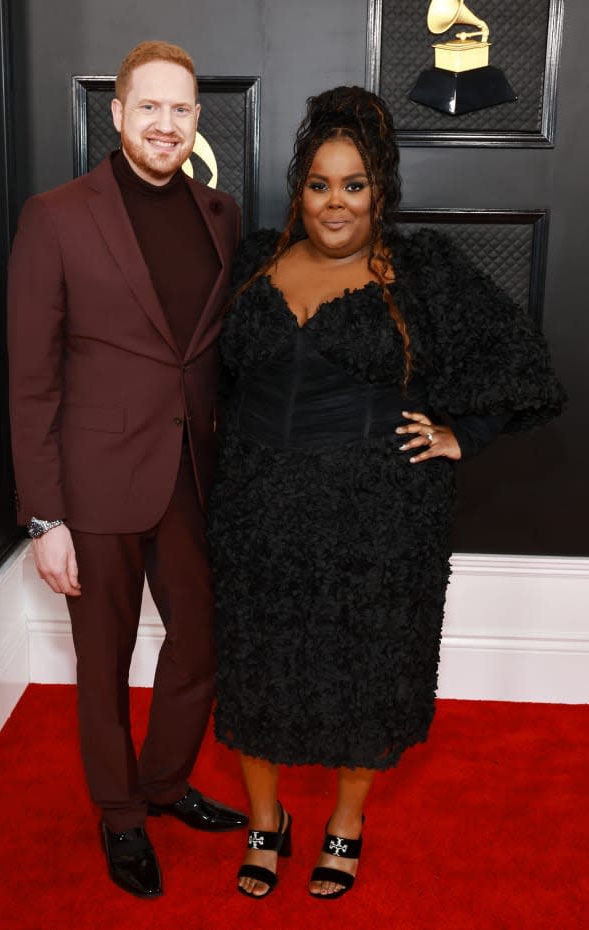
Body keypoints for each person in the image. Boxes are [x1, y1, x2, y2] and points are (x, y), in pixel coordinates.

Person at [208, 86, 565, 900]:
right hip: (256, 507)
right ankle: (267, 820)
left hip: (379, 515)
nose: (336, 203)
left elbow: (522, 367)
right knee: (254, 666)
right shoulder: (255, 260)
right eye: (321, 184)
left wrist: (459, 434)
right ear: (300, 189)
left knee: (365, 671)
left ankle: (346, 823)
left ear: (381, 191)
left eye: (355, 184)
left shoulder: (421, 270)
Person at [7, 40, 247, 899]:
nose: (166, 124)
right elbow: (31, 377)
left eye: (181, 110)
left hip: (192, 475)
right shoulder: (57, 215)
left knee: (201, 642)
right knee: (102, 664)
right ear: (116, 114)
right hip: (94, 484)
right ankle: (119, 814)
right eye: (149, 107)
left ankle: (163, 782)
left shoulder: (221, 214)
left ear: (195, 122)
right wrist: (45, 516)